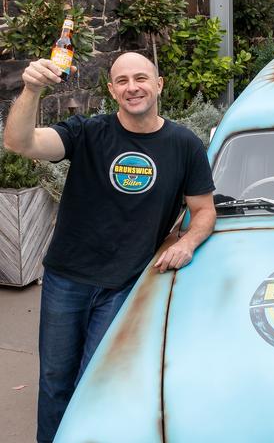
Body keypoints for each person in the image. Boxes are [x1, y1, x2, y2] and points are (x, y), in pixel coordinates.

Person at [3, 53, 217, 443]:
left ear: (159, 84)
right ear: (112, 90)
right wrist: (32, 88)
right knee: (54, 378)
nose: (132, 87)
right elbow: (20, 142)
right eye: (122, 81)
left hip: (125, 283)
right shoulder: (87, 132)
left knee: (95, 381)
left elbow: (203, 210)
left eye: (141, 78)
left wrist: (188, 242)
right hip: (67, 278)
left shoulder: (184, 144)